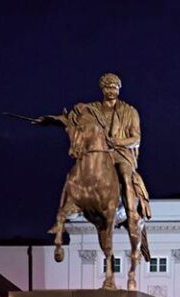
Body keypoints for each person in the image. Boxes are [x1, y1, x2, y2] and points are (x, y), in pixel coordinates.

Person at [35, 72, 150, 231]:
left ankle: (131, 214)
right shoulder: (91, 110)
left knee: (124, 174)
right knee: (77, 173)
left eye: (114, 87)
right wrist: (50, 120)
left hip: (120, 154)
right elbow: (72, 121)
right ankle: (72, 206)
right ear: (102, 89)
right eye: (108, 87)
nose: (111, 91)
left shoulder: (130, 112)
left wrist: (117, 142)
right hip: (98, 152)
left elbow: (136, 138)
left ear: (119, 89)